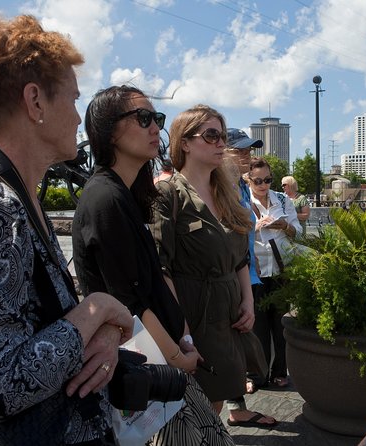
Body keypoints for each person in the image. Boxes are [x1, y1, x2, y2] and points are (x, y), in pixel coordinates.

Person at [0, 15, 134, 444]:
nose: (78, 117)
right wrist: (99, 307)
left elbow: (42, 325)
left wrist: (106, 331)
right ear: (35, 102)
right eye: (73, 100)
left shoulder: (14, 196)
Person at [72, 86, 233, 444]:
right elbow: (129, 301)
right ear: (107, 129)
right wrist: (177, 356)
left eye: (156, 119)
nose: (154, 128)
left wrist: (184, 339)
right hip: (152, 367)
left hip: (165, 358)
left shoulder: (125, 195)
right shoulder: (105, 198)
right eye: (142, 118)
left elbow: (152, 283)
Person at [151, 105, 278, 428]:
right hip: (192, 312)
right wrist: (181, 331)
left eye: (222, 135)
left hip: (227, 314)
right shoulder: (168, 193)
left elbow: (240, 258)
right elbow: (159, 267)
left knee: (216, 398)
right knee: (187, 407)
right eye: (211, 135)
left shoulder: (226, 192)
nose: (221, 142)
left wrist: (247, 301)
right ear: (185, 143)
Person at [249, 157, 302, 388]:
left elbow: (298, 233)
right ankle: (255, 375)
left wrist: (284, 226)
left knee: (280, 325)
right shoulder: (243, 200)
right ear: (248, 180)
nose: (263, 185)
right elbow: (233, 232)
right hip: (255, 271)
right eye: (258, 180)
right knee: (256, 325)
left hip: (281, 268)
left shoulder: (282, 200)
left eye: (268, 180)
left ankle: (280, 371)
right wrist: (255, 227)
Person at [224, 128, 268, 393]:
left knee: (243, 334)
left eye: (248, 150)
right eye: (239, 150)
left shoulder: (241, 186)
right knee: (235, 336)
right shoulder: (220, 188)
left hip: (247, 271)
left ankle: (236, 396)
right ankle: (233, 398)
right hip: (232, 275)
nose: (246, 155)